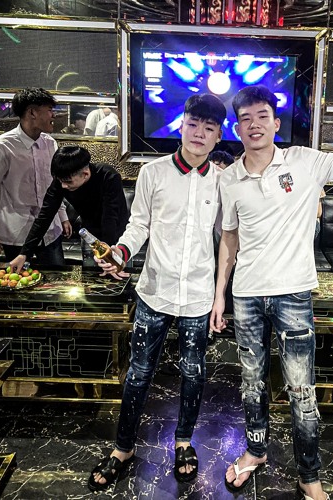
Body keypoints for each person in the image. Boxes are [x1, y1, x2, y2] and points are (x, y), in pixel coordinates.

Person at [210, 54, 333, 499]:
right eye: (245, 119)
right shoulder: (229, 179)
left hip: (292, 295)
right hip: (247, 296)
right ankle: (256, 452)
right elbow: (229, 241)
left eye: (262, 116)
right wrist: (219, 297)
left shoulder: (305, 162)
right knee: (251, 384)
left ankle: (310, 476)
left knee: (301, 392)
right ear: (237, 129)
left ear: (276, 123)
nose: (254, 125)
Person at [87, 93, 227, 493]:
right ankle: (123, 447)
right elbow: (139, 226)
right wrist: (121, 252)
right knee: (139, 374)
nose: (199, 133)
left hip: (198, 295)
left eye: (209, 128)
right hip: (154, 291)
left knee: (193, 373)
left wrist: (222, 294)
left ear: (218, 136)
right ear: (181, 126)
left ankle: (183, 441)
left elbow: (228, 237)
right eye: (193, 124)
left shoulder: (223, 181)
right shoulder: (153, 173)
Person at [9, 145, 129, 273]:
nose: (63, 186)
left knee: (118, 277)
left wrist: (109, 257)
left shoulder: (108, 176)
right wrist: (24, 254)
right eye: (61, 181)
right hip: (90, 236)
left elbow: (110, 218)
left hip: (119, 237)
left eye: (68, 182)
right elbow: (45, 216)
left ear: (85, 174)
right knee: (93, 277)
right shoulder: (62, 181)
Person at [0, 87, 70, 265]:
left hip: (50, 231)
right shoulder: (2, 146)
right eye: (49, 110)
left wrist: (63, 216)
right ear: (32, 113)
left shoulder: (50, 143)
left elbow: (55, 185)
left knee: (56, 279)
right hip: (16, 233)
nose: (54, 115)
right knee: (18, 280)